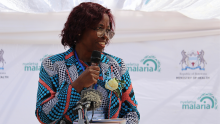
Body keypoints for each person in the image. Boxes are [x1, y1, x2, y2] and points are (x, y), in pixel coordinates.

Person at [35, 2, 140, 124]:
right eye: (100, 29)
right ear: (79, 29)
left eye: (108, 31)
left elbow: (132, 113)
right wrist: (77, 85)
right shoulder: (53, 65)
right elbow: (43, 116)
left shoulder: (116, 66)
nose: (106, 36)